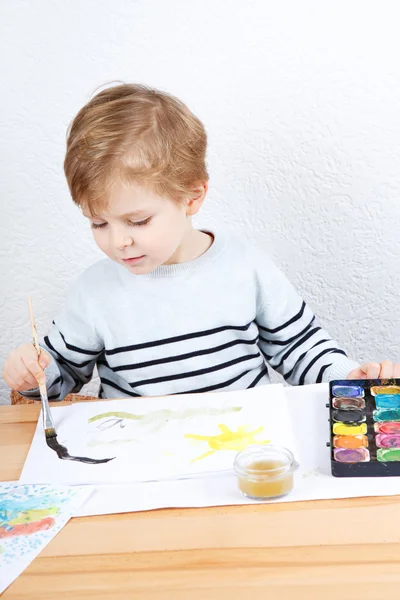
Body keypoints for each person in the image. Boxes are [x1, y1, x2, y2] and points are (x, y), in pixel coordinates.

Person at [3, 84, 399, 400]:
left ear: (192, 197)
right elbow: (61, 377)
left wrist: (349, 375)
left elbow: (299, 349)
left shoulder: (245, 266)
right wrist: (35, 372)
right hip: (140, 456)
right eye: (98, 223)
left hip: (245, 449)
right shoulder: (94, 292)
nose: (118, 240)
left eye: (137, 220)